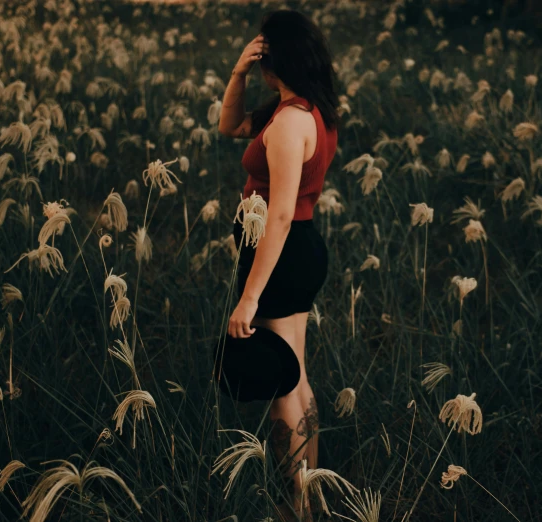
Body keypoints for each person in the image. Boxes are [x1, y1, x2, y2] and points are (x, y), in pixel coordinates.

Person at [217, 9, 340, 522]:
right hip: (295, 253)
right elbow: (229, 126)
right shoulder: (301, 108)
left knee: (281, 388)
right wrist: (237, 74)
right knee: (297, 377)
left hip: (281, 255)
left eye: (262, 54)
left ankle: (299, 503)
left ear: (277, 60)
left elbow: (282, 214)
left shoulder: (290, 124)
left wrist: (249, 294)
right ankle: (306, 488)